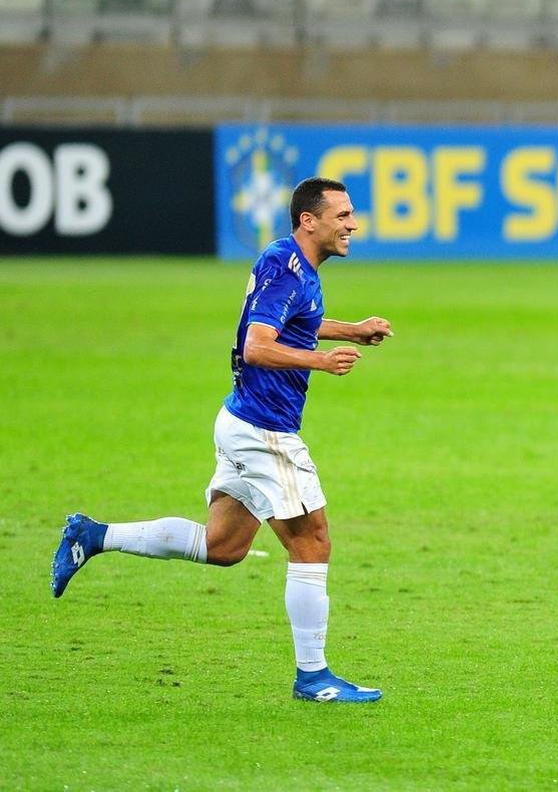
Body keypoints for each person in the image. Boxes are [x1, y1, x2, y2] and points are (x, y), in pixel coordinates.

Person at [50, 177, 393, 703]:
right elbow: (258, 346)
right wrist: (321, 362)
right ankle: (314, 677)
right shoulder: (287, 265)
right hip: (264, 429)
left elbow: (295, 324)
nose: (352, 223)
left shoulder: (291, 264)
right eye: (343, 214)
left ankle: (94, 535)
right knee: (312, 541)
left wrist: (350, 330)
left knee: (224, 547)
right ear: (310, 220)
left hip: (240, 421)